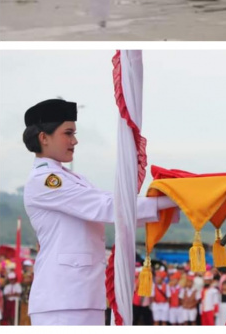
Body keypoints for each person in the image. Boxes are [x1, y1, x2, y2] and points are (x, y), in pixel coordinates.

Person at [22, 98, 178, 325]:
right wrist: (173, 199)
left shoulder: (73, 178)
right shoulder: (45, 181)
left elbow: (115, 209)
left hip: (82, 295)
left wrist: (173, 204)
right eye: (68, 133)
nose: (74, 141)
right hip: (61, 299)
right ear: (43, 138)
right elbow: (107, 208)